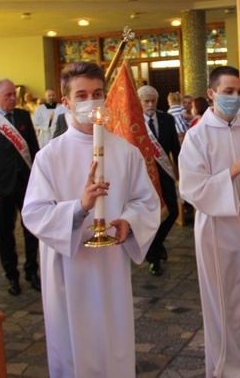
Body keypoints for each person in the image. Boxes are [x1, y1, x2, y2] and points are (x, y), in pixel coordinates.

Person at [22, 62, 159, 377]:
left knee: (113, 343)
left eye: (98, 93)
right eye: (81, 95)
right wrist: (78, 208)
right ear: (67, 102)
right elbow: (34, 212)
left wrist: (129, 221)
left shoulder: (125, 152)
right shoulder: (49, 157)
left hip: (110, 265)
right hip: (68, 269)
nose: (91, 101)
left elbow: (146, 201)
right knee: (73, 349)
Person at [179, 65, 240, 378]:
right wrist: (233, 171)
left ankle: (238, 359)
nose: (235, 98)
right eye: (228, 92)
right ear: (211, 94)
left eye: (239, 93)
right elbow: (192, 188)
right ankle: (227, 369)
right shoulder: (197, 136)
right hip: (217, 227)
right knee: (223, 304)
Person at [0, 78, 41, 296]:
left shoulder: (22, 116)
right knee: (5, 234)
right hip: (0, 188)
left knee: (32, 229)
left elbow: (33, 148)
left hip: (25, 184)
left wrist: (39, 177)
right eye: (8, 95)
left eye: (14, 94)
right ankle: (12, 275)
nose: (13, 98)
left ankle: (32, 271)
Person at [137, 85, 181, 276]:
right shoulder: (135, 122)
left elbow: (175, 148)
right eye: (146, 101)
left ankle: (155, 244)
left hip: (165, 175)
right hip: (144, 178)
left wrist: (182, 172)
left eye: (153, 101)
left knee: (173, 211)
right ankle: (154, 258)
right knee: (152, 216)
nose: (150, 104)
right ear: (139, 102)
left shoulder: (167, 119)